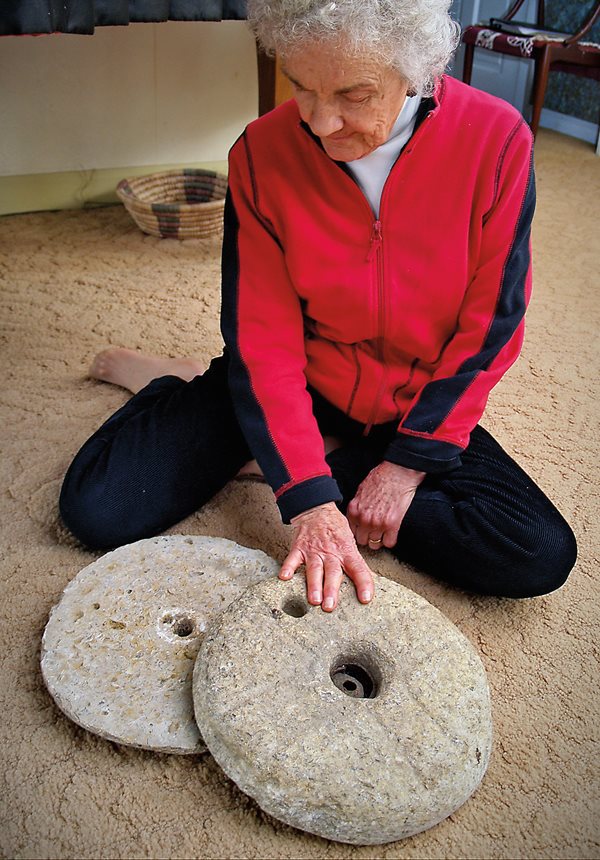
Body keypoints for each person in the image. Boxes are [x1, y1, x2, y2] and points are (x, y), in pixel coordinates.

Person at [59, 0, 577, 611]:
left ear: (416, 70)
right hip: (295, 382)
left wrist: (407, 464)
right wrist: (308, 499)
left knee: (536, 552)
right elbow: (262, 337)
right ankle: (181, 390)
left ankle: (290, 457)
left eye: (355, 94)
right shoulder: (259, 154)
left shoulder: (496, 142)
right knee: (96, 509)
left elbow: (492, 325)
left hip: (409, 404)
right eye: (302, 87)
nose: (322, 122)